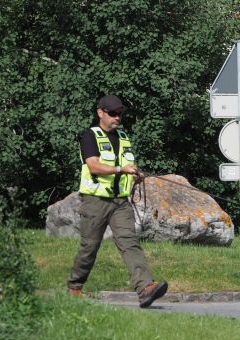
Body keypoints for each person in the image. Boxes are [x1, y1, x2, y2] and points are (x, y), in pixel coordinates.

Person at [67, 94, 168, 308]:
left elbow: (127, 164)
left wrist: (135, 174)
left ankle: (146, 287)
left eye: (120, 113)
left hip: (120, 202)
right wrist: (121, 170)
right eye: (112, 113)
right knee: (89, 247)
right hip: (95, 201)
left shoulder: (123, 136)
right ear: (100, 113)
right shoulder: (89, 136)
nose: (117, 117)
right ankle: (74, 288)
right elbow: (93, 166)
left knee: (129, 242)